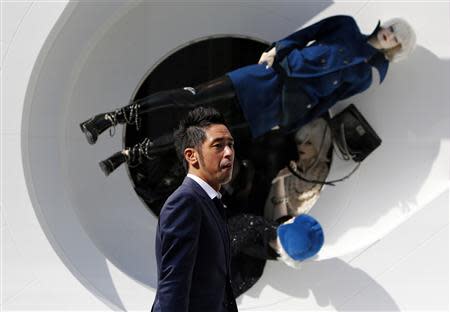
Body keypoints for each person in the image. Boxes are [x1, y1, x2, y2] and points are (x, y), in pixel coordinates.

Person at [80, 15, 416, 176]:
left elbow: (328, 103)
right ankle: (109, 118)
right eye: (390, 28)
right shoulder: (346, 25)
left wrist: (289, 125)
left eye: (394, 38)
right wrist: (276, 50)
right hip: (270, 76)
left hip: (282, 109)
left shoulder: (365, 75)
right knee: (194, 95)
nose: (388, 34)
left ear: (395, 49)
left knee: (203, 137)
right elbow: (305, 35)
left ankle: (130, 154)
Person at [151, 107, 238, 311]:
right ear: (191, 155)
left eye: (231, 145)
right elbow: (173, 285)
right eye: (218, 146)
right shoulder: (185, 202)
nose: (229, 153)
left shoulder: (210, 201)